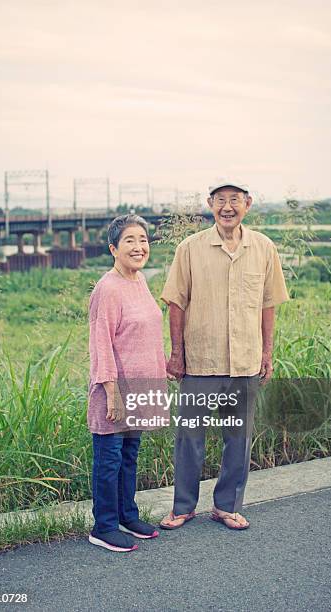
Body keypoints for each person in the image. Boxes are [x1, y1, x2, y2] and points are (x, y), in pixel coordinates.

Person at [160, 180, 289, 531]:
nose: (227, 207)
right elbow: (176, 301)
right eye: (221, 200)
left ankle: (227, 507)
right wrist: (177, 354)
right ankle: (183, 507)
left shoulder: (263, 247)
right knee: (190, 436)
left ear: (248, 204)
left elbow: (268, 304)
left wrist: (267, 352)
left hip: (245, 362)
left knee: (238, 437)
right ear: (210, 204)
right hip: (201, 361)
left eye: (235, 200)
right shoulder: (190, 248)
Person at [88, 214, 167, 552]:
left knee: (130, 455)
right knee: (109, 459)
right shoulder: (107, 288)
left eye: (143, 240)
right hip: (115, 391)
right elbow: (100, 343)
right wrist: (111, 391)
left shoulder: (138, 281)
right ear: (113, 248)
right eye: (130, 241)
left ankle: (127, 515)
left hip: (140, 388)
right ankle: (103, 526)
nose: (139, 247)